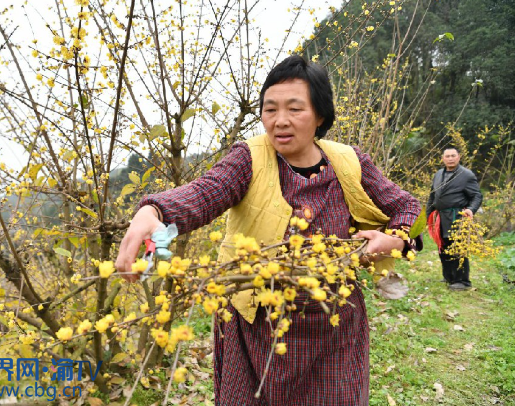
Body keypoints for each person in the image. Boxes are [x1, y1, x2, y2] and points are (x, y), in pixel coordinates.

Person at [115, 55, 421, 406]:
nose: (280, 121)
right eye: (270, 109)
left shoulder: (350, 162)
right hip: (257, 325)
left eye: (295, 109)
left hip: (334, 325)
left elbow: (406, 206)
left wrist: (394, 238)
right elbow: (204, 192)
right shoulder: (248, 159)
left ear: (320, 115)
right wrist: (155, 210)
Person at [426, 147, 483, 291]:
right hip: (440, 217)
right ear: (443, 158)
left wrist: (471, 209)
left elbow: (477, 196)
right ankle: (449, 276)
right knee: (443, 247)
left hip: (457, 216)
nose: (450, 158)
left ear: (458, 157)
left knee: (458, 248)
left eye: (453, 155)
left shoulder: (466, 175)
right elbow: (432, 196)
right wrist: (428, 217)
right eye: (447, 156)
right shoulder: (438, 174)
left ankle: (462, 281)